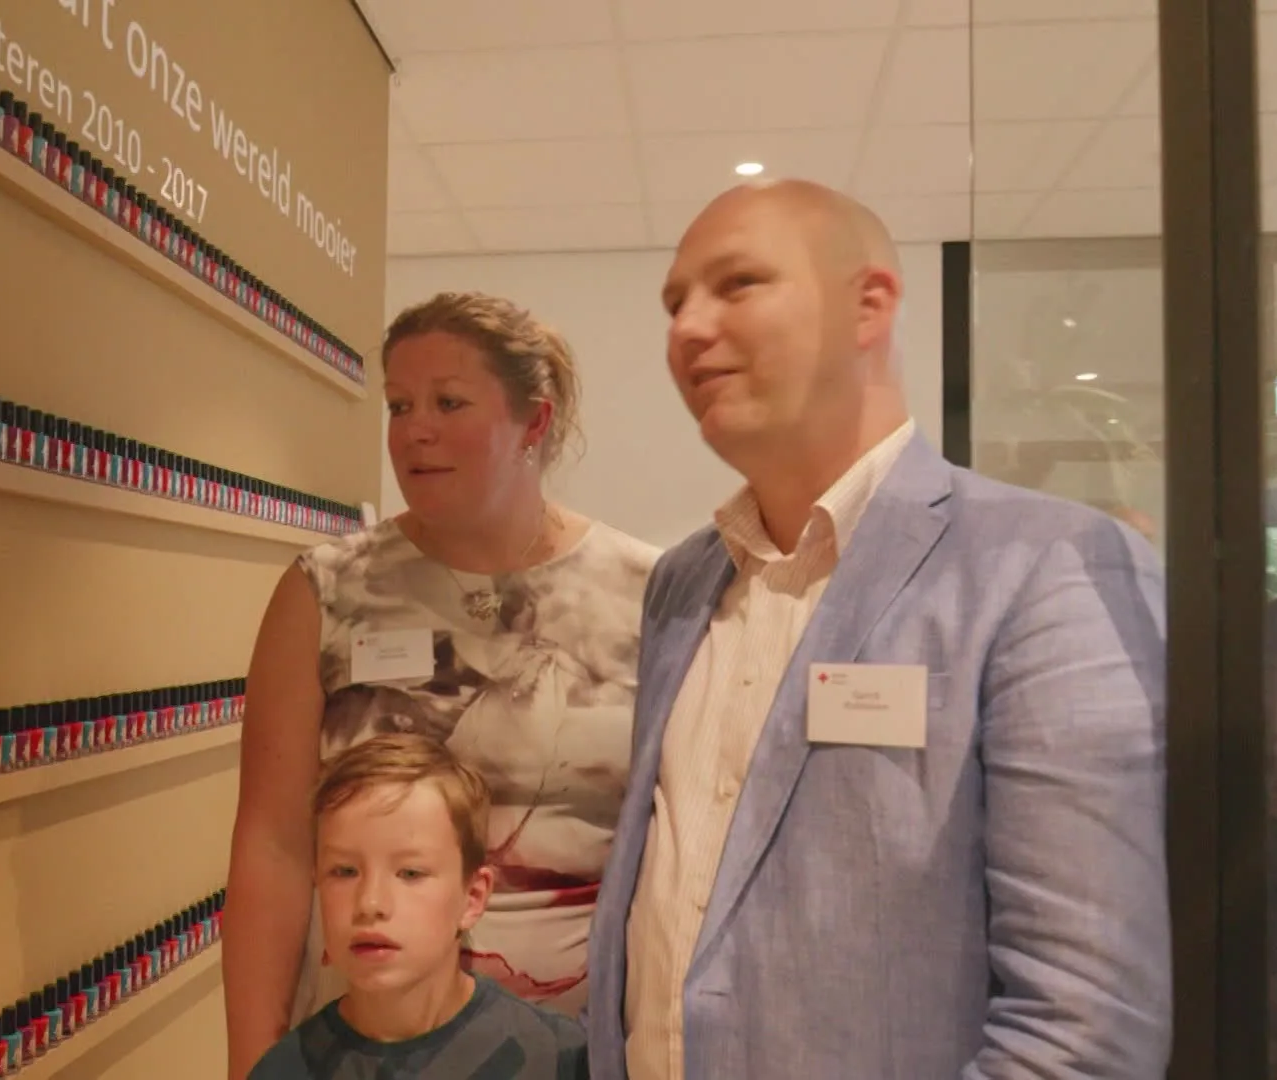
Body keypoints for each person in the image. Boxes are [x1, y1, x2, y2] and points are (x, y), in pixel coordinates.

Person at [584, 180, 1173, 1079]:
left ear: (868, 305)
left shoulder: (1047, 566)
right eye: (674, 303)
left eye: (737, 284)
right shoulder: (681, 582)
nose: (688, 328)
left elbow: (1083, 1029)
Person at [223, 291, 660, 1079]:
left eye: (448, 402)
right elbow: (275, 848)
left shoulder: (644, 592)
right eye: (399, 405)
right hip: (366, 1048)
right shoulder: (325, 592)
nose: (414, 429)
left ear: (534, 422)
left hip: (582, 1048)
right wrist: (253, 1063)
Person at [245, 733, 591, 1080]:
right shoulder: (284, 1070)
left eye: (410, 873)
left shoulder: (556, 1058)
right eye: (345, 871)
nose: (371, 903)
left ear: (472, 897)